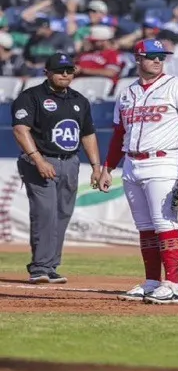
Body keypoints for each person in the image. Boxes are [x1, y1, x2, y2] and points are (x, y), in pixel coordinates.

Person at [97, 39, 178, 305]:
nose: (158, 60)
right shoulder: (127, 93)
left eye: (161, 56)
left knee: (164, 223)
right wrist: (107, 168)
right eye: (152, 56)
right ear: (138, 58)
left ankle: (173, 285)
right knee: (145, 228)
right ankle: (152, 282)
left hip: (164, 160)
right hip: (132, 163)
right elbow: (119, 134)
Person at [11, 53, 102, 284]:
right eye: (60, 70)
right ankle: (40, 267)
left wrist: (96, 166)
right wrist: (38, 160)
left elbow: (88, 134)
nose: (65, 74)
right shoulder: (31, 96)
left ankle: (51, 266)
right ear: (47, 72)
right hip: (41, 160)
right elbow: (21, 130)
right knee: (45, 212)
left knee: (62, 214)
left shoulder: (79, 100)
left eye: (69, 70)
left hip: (70, 161)